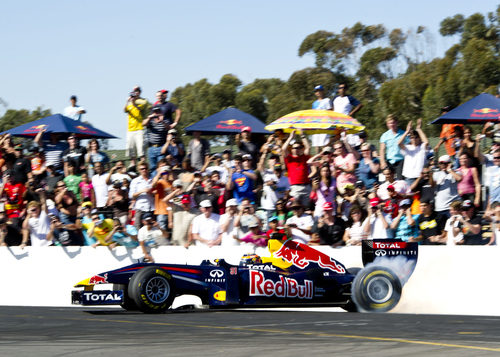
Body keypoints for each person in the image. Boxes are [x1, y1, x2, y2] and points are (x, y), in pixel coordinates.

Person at [282, 130, 311, 205]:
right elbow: (283, 149)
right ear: (291, 149)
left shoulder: (304, 157)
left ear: (302, 148)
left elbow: (308, 147)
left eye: (299, 147)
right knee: (295, 207)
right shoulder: (289, 158)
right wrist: (290, 137)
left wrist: (302, 135)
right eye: (295, 148)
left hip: (306, 187)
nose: (297, 149)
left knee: (305, 208)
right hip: (295, 187)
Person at [398, 119, 429, 184]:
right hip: (409, 176)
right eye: (412, 137)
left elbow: (426, 142)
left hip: (420, 176)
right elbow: (399, 143)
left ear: (419, 138)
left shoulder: (422, 147)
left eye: (416, 137)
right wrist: (407, 131)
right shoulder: (407, 147)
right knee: (410, 193)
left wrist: (419, 129)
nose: (414, 139)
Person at [332, 83, 363, 147]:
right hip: (336, 123)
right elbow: (331, 108)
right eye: (340, 88)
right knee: (337, 141)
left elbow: (360, 105)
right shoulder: (335, 98)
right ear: (338, 90)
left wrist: (351, 113)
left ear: (346, 89)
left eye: (343, 88)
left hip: (346, 123)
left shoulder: (349, 98)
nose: (342, 89)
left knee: (347, 141)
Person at [379, 114, 407, 180]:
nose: (392, 125)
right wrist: (382, 162)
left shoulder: (403, 134)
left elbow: (408, 146)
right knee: (388, 180)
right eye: (390, 123)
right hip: (390, 161)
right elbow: (382, 150)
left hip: (400, 160)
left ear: (397, 123)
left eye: (393, 122)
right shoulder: (385, 135)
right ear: (387, 124)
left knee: (400, 180)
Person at [124, 86, 148, 160]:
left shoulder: (143, 101)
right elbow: (125, 110)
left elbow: (140, 109)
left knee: (141, 151)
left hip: (139, 129)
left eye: (137, 90)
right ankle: (133, 166)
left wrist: (134, 102)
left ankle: (143, 164)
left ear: (140, 92)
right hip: (130, 129)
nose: (136, 92)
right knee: (131, 151)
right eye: (134, 91)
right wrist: (127, 102)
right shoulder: (129, 102)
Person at [143, 105, 169, 171]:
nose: (156, 113)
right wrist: (149, 118)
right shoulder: (151, 122)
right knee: (152, 168)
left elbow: (168, 128)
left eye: (158, 111)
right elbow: (143, 123)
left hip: (161, 147)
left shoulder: (165, 121)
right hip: (151, 148)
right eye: (155, 112)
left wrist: (162, 121)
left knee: (162, 167)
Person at [129, 162, 154, 229]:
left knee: (152, 228)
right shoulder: (135, 181)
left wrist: (152, 192)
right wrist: (141, 191)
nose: (144, 170)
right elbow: (131, 195)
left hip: (151, 207)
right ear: (139, 170)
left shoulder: (153, 179)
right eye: (142, 169)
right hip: (140, 208)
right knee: (138, 228)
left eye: (145, 168)